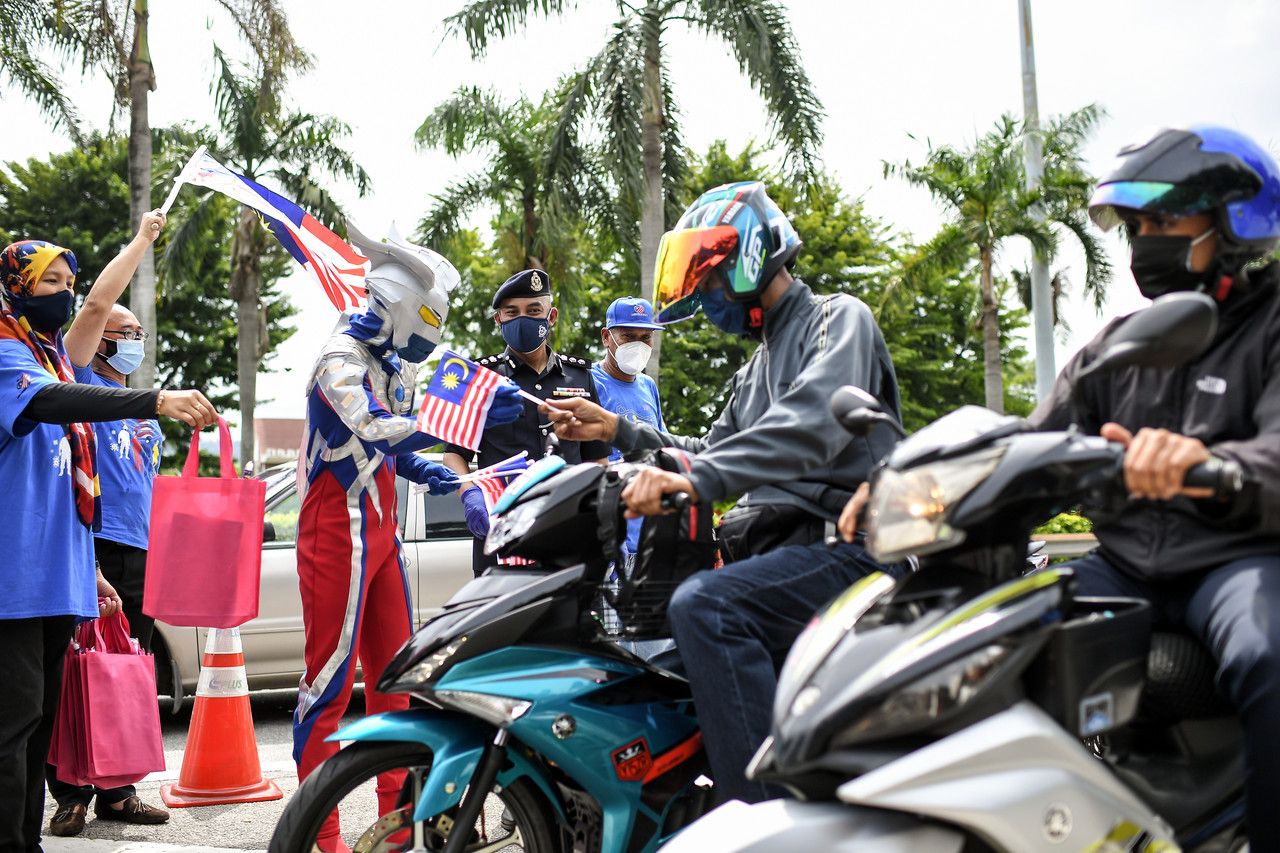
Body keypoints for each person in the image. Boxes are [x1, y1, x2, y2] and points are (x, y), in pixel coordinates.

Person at [543, 181, 902, 803]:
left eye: (708, 279)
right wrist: (616, 429)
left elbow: (812, 423)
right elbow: (707, 452)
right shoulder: (754, 370)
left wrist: (692, 478)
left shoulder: (837, 320)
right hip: (778, 558)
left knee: (706, 607)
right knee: (642, 676)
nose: (706, 297)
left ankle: (758, 820)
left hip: (849, 553)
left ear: (749, 257)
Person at [1031, 125, 1280, 852]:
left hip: (1233, 558)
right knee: (988, 639)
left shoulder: (1271, 328)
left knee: (1268, 659)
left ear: (1233, 222)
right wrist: (916, 480)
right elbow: (1034, 440)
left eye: (1164, 222)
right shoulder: (1118, 345)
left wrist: (1209, 462)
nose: (1144, 244)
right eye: (1136, 228)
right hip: (1126, 562)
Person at [292, 223, 522, 853]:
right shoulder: (339, 358)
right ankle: (319, 835)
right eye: (428, 319)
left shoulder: (391, 361)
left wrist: (442, 472)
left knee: (396, 680)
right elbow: (372, 427)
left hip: (380, 531)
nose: (431, 334)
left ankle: (396, 832)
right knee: (328, 682)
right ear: (399, 306)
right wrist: (463, 419)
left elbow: (393, 449)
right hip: (335, 529)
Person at [0, 230, 217, 852]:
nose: (65, 295)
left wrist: (142, 240)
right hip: (13, 579)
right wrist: (156, 398)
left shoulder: (49, 356)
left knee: (38, 723)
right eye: (50, 281)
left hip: (58, 577)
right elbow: (51, 399)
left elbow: (97, 305)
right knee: (12, 726)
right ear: (15, 285)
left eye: (69, 283)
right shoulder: (9, 354)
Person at [44, 239, 172, 835]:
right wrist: (143, 240)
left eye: (140, 333)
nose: (134, 340)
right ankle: (69, 793)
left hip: (140, 554)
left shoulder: (145, 414)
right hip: (89, 549)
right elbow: (95, 304)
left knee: (127, 673)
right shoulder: (75, 383)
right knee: (75, 673)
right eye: (125, 332)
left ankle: (118, 792)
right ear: (99, 342)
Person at [442, 269, 611, 576]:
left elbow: (597, 458)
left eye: (534, 311)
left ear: (551, 316)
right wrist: (469, 494)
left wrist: (601, 514)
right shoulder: (480, 380)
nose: (523, 319)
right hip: (502, 534)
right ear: (498, 319)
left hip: (568, 532)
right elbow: (454, 454)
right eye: (512, 312)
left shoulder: (580, 378)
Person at [589, 297, 666, 633]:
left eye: (645, 337)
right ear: (607, 337)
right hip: (611, 541)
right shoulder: (589, 382)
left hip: (650, 541)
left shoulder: (648, 386)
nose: (639, 344)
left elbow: (663, 450)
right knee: (614, 645)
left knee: (653, 643)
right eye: (628, 336)